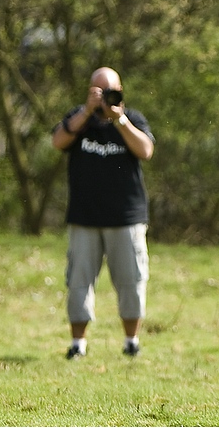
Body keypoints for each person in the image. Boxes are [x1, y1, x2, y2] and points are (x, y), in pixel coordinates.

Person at [51, 67, 155, 359]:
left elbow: (146, 150)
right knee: (78, 282)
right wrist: (86, 112)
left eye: (110, 91)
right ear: (89, 91)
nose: (105, 98)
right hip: (84, 218)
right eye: (99, 91)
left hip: (126, 219)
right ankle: (77, 345)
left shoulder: (132, 119)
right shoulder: (78, 119)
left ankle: (131, 341)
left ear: (120, 90)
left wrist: (118, 118)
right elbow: (58, 141)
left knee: (131, 280)